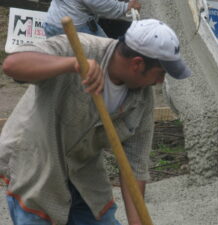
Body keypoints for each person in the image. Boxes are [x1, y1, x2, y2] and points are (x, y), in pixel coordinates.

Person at [1, 19, 191, 225]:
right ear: (137, 63)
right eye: (161, 73)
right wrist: (71, 64)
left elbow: (134, 166)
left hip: (84, 176)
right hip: (35, 164)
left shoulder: (142, 99)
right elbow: (13, 65)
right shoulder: (80, 49)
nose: (161, 82)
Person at [43, 0, 141, 38]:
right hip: (75, 28)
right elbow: (97, 2)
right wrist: (125, 7)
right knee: (107, 55)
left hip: (52, 23)